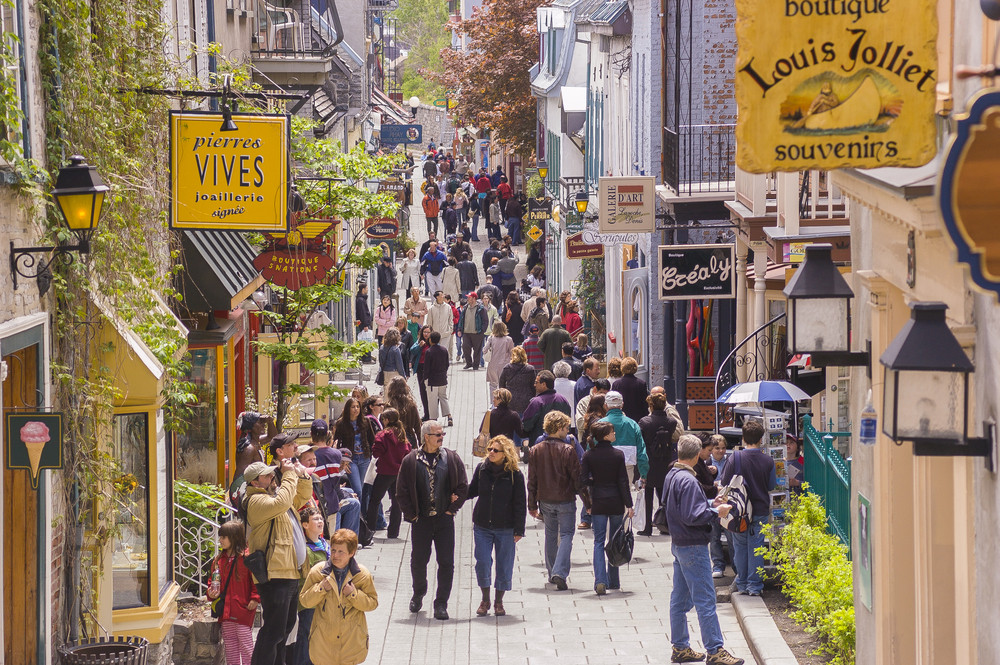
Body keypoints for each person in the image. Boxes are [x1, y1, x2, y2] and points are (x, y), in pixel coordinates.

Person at [664, 436, 744, 665]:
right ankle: (715, 650)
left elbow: (683, 509)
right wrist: (717, 511)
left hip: (679, 543)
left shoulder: (673, 475)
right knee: (705, 599)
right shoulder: (688, 480)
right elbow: (693, 515)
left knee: (679, 599)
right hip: (693, 545)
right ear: (698, 453)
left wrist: (710, 503)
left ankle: (680, 647)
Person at [242, 459, 313, 665]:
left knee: (285, 628)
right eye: (267, 476)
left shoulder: (274, 498)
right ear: (255, 483)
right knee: (273, 631)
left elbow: (302, 497)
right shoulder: (256, 502)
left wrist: (302, 476)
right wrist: (289, 475)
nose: (272, 477)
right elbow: (282, 503)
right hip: (275, 575)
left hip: (289, 572)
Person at [396, 421, 469, 620]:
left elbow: (463, 487)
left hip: (444, 520)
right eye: (438, 434)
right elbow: (401, 491)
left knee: (446, 562)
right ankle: (419, 592)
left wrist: (452, 510)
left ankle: (441, 603)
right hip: (422, 521)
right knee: (419, 561)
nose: (441, 437)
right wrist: (412, 515)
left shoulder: (451, 458)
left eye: (442, 434)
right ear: (426, 436)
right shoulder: (411, 460)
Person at [527, 411, 588, 590]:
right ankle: (559, 572)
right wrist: (588, 502)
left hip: (545, 499)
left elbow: (532, 480)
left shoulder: (535, 450)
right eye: (566, 427)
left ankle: (552, 571)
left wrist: (531, 504)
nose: (568, 430)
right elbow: (578, 479)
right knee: (567, 534)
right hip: (565, 499)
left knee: (551, 535)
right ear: (559, 428)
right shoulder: (568, 450)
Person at [299, 529, 379, 665]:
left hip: (351, 641)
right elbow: (305, 601)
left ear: (352, 553)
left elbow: (372, 603)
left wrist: (354, 594)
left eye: (341, 551)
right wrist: (321, 588)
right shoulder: (318, 572)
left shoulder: (362, 575)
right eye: (334, 550)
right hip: (323, 641)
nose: (335, 555)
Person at [468, 435, 527, 616]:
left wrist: (519, 530)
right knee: (483, 562)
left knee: (504, 564)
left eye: (495, 450)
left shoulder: (515, 474)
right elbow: (471, 491)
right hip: (483, 525)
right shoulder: (482, 469)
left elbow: (520, 503)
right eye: (490, 449)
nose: (491, 453)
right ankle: (485, 599)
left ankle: (499, 602)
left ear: (505, 453)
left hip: (506, 527)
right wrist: (453, 496)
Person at [718, 419, 776, 597]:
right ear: (761, 439)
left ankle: (742, 583)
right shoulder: (768, 460)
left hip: (738, 511)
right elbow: (771, 485)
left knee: (740, 546)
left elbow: (725, 483)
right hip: (759, 509)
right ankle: (755, 586)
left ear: (743, 438)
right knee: (757, 547)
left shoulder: (734, 458)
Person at [581, 420, 634, 595]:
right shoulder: (618, 455)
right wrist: (629, 504)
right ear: (605, 435)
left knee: (598, 541)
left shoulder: (589, 455)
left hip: (598, 500)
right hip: (616, 501)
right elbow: (623, 481)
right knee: (615, 540)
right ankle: (614, 580)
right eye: (612, 432)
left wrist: (593, 485)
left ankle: (600, 580)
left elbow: (582, 481)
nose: (615, 434)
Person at [208, 520, 258, 665]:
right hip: (225, 612)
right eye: (220, 536)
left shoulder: (247, 559)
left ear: (234, 537)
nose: (221, 540)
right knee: (230, 648)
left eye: (224, 537)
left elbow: (255, 582)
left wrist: (255, 598)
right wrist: (211, 592)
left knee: (247, 647)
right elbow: (212, 582)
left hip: (243, 610)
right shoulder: (218, 561)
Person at [311, 420, 363, 538]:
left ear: (311, 433)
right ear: (327, 434)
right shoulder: (336, 454)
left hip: (317, 502)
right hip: (331, 503)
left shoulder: (308, 454)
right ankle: (349, 540)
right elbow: (334, 484)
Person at [366, 408, 411, 541]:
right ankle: (393, 532)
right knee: (396, 503)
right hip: (398, 473)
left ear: (386, 420)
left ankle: (370, 529)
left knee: (374, 500)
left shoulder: (382, 435)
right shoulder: (402, 435)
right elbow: (408, 452)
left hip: (385, 472)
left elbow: (376, 452)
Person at [637, 393, 679, 536]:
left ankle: (647, 526)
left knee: (648, 496)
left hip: (650, 461)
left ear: (651, 405)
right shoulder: (671, 422)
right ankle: (665, 524)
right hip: (665, 461)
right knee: (663, 496)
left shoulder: (644, 422)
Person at [294, 507, 329, 665]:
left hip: (323, 600)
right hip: (309, 601)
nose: (320, 521)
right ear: (305, 525)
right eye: (315, 519)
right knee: (306, 635)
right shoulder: (306, 550)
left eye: (320, 518)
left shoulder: (324, 543)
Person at [333, 398, 377, 507]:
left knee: (363, 488)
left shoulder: (366, 421)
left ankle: (362, 516)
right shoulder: (341, 423)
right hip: (351, 460)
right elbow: (337, 444)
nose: (356, 409)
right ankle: (359, 514)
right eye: (353, 407)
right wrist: (342, 461)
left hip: (365, 458)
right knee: (358, 490)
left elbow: (372, 440)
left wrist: (373, 457)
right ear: (348, 409)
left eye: (357, 406)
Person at [601, 391, 648, 485]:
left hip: (604, 467)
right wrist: (643, 474)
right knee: (625, 495)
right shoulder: (632, 424)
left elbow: (591, 448)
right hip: (627, 466)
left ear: (605, 405)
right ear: (622, 405)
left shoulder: (600, 424)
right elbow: (641, 451)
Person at [521, 370, 572, 447]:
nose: (534, 385)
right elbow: (568, 422)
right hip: (562, 445)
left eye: (536, 382)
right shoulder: (563, 400)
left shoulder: (536, 402)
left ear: (544, 384)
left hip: (540, 446)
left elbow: (526, 425)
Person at [708, 434, 732, 577]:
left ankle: (735, 565)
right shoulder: (706, 463)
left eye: (723, 448)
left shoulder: (729, 461)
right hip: (713, 503)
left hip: (727, 502)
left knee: (730, 535)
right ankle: (718, 565)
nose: (721, 451)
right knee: (714, 536)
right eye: (717, 448)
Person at [424, 331, 453, 427]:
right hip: (442, 379)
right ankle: (449, 416)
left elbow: (426, 368)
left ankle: (433, 419)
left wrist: (425, 379)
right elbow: (447, 364)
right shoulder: (444, 350)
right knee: (443, 397)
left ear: (430, 340)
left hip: (432, 380)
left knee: (432, 400)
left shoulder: (429, 351)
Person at [385, 376, 424, 447]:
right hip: (410, 439)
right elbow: (418, 426)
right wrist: (422, 444)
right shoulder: (411, 405)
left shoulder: (388, 406)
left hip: (393, 440)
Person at [498, 346, 537, 417]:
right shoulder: (530, 369)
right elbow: (534, 386)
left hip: (510, 400)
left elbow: (501, 385)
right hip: (526, 400)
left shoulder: (507, 368)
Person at [613, 357, 650, 423]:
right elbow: (645, 404)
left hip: (621, 418)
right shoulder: (641, 383)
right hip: (638, 418)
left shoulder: (616, 384)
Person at [458, 292, 489, 370]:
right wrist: (459, 329)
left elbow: (485, 321)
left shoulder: (481, 308)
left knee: (477, 350)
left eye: (469, 297)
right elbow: (461, 319)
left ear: (474, 299)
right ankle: (469, 363)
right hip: (466, 332)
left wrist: (482, 331)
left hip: (477, 333)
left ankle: (475, 365)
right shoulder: (465, 308)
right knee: (465, 347)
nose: (468, 299)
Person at [484, 320, 515, 393]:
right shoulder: (509, 339)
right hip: (505, 364)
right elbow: (512, 353)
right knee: (504, 385)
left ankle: (493, 402)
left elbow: (484, 350)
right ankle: (503, 401)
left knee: (493, 385)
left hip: (493, 364)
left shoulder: (491, 338)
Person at [410, 325, 433, 421]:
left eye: (428, 332)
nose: (426, 334)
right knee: (423, 392)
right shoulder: (419, 341)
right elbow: (412, 350)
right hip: (420, 368)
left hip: (431, 369)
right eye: (424, 332)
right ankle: (426, 413)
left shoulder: (433, 342)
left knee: (431, 393)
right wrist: (420, 346)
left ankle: (432, 413)